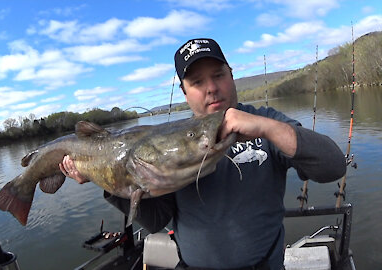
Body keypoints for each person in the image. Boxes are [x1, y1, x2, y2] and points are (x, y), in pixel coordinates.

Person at [59, 38, 346, 270]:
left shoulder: (267, 121)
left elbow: (333, 166)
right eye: (197, 82)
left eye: (218, 75)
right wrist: (107, 180)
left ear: (232, 76)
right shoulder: (168, 143)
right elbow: (157, 219)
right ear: (185, 92)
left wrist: (269, 129)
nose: (211, 89)